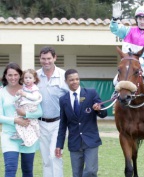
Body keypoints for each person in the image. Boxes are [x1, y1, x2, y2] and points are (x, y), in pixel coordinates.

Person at [55, 69, 107, 177]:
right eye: (71, 80)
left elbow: (104, 113)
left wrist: (98, 109)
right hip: (74, 143)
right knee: (76, 174)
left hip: (91, 141)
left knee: (91, 171)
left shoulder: (91, 93)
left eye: (77, 79)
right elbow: (63, 124)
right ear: (66, 81)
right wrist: (59, 144)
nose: (75, 82)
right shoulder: (63, 100)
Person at [110, 2, 144, 96]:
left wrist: (141, 60)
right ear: (136, 19)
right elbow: (114, 29)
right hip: (128, 66)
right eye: (140, 18)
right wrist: (114, 19)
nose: (142, 21)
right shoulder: (128, 31)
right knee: (115, 81)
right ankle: (116, 96)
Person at [0, 62, 43, 177]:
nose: (13, 78)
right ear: (5, 76)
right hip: (9, 136)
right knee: (10, 169)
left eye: (15, 74)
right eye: (9, 75)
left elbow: (39, 112)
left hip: (28, 135)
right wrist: (16, 120)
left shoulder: (28, 91)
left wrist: (26, 114)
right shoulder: (1, 92)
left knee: (28, 170)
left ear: (20, 76)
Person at [37, 46, 69, 177]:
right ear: (40, 59)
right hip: (40, 123)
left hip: (59, 123)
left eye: (49, 58)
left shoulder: (63, 75)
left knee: (54, 156)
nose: (46, 62)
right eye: (43, 59)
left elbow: (73, 95)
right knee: (46, 159)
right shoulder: (35, 76)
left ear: (55, 58)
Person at [11, 69, 42, 147]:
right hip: (25, 106)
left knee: (24, 120)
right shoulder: (24, 87)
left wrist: (25, 94)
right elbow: (20, 96)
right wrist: (18, 94)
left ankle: (29, 139)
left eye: (30, 78)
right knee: (19, 119)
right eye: (26, 78)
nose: (28, 80)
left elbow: (35, 97)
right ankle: (21, 134)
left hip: (30, 106)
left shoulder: (34, 88)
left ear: (34, 79)